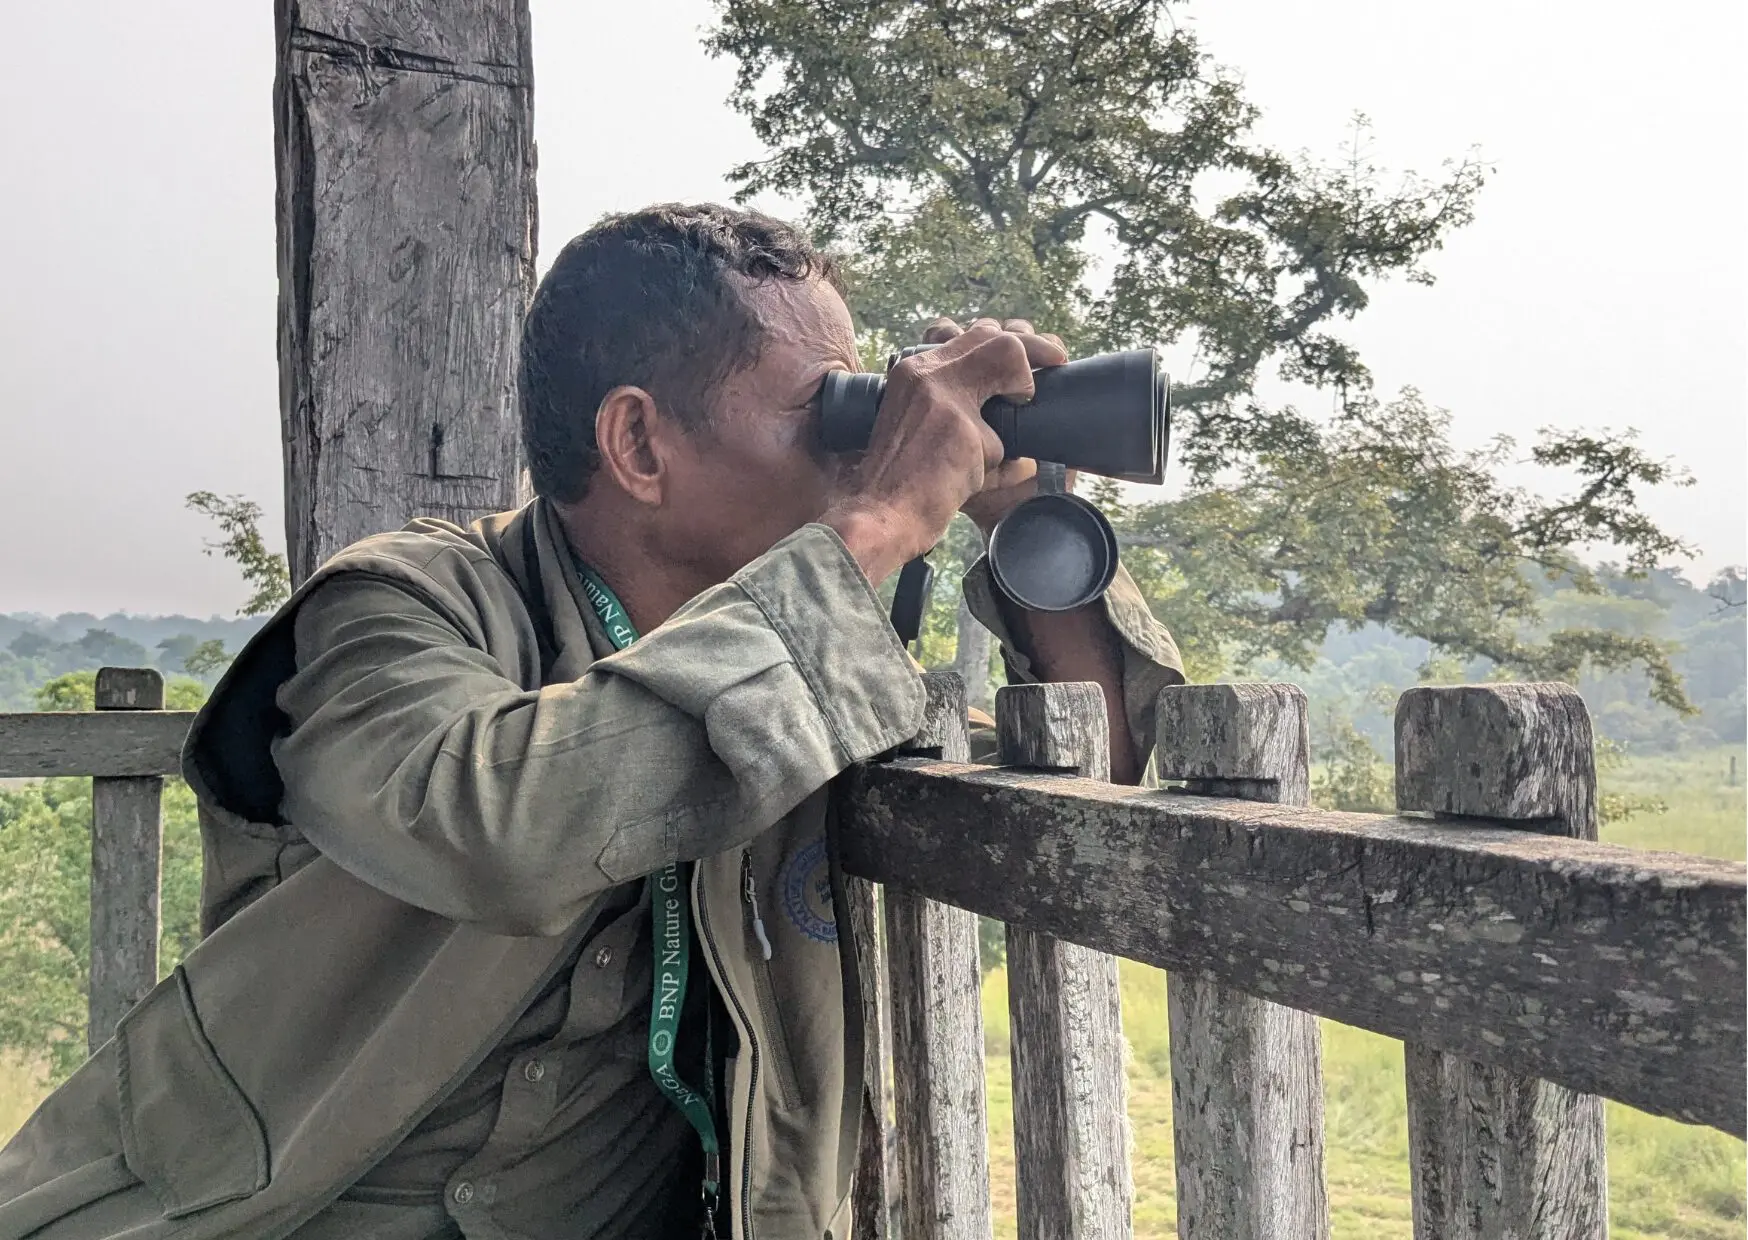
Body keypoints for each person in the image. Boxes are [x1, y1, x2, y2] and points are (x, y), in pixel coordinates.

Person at [0, 203, 1182, 1240]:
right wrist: (874, 524)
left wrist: (1033, 517)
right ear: (636, 443)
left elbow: (1106, 786)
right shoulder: (399, 608)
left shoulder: (809, 668)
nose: (854, 448)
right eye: (822, 408)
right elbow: (494, 826)